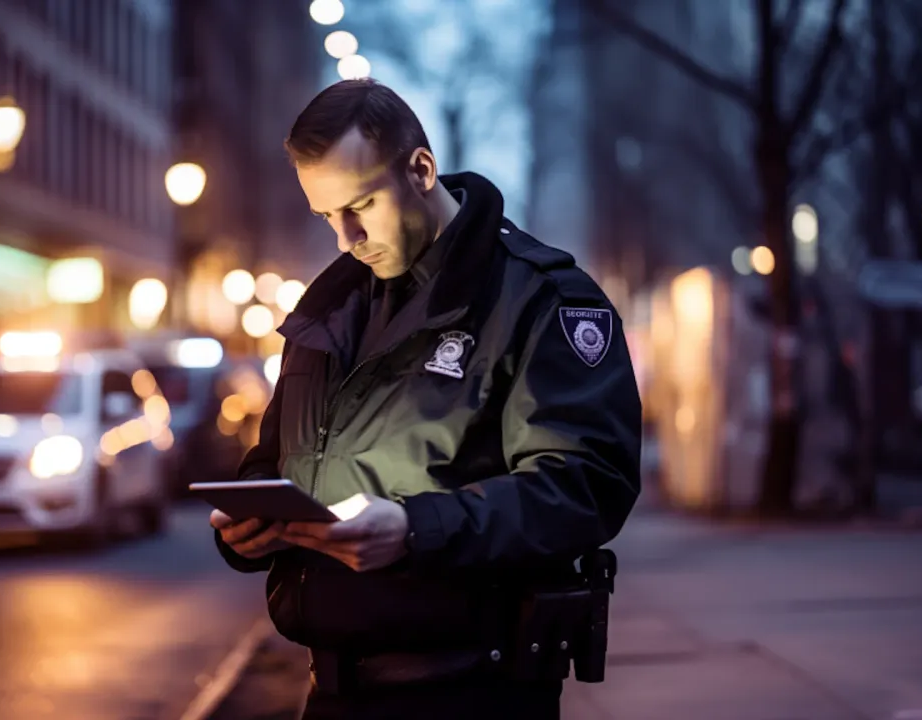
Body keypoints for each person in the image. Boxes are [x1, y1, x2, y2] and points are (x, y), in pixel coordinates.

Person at [210, 78, 642, 720]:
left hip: (473, 694)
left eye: (360, 204)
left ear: (420, 169)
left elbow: (585, 484)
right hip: (330, 694)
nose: (345, 237)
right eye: (327, 216)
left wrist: (415, 530)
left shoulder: (539, 298)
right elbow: (278, 459)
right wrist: (249, 526)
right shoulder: (328, 311)